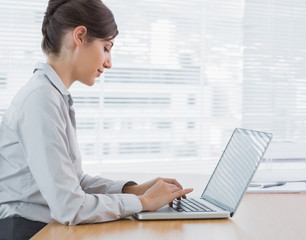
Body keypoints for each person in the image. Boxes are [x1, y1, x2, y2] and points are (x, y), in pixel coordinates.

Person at [0, 0, 193, 239]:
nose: (109, 62)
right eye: (106, 47)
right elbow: (70, 206)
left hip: (43, 225)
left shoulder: (53, 95)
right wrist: (142, 202)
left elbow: (75, 182)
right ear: (80, 36)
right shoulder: (41, 99)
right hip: (27, 230)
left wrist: (135, 190)